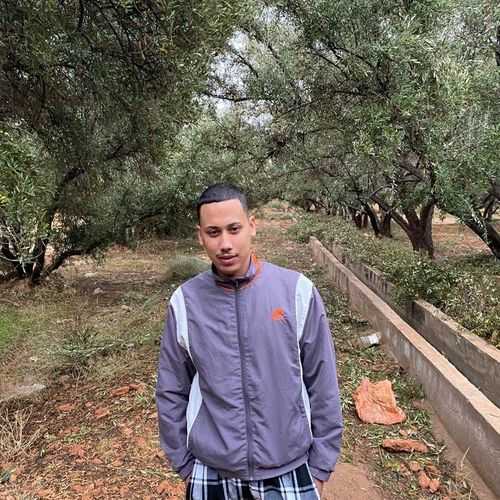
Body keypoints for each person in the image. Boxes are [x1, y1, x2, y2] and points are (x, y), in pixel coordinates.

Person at [156, 183, 343, 500]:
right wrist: (184, 465)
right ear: (200, 236)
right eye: (213, 232)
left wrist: (320, 466)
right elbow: (171, 389)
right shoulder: (185, 302)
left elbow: (322, 382)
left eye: (234, 229)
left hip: (289, 468)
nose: (225, 244)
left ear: (252, 226)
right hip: (211, 471)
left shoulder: (297, 292)